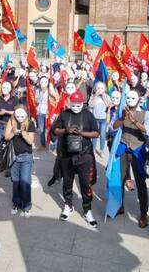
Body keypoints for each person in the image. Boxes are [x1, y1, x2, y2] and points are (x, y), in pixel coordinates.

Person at [52, 91, 100, 228]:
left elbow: (96, 133)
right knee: (67, 182)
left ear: (83, 103)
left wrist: (81, 133)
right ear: (70, 103)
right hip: (67, 155)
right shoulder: (64, 114)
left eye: (79, 104)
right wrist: (66, 130)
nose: (76, 107)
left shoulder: (88, 115)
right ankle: (68, 205)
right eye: (74, 104)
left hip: (85, 155)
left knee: (86, 184)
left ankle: (87, 210)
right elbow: (55, 130)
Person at [112, 90, 149, 227]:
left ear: (139, 99)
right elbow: (113, 127)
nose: (130, 99)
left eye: (134, 97)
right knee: (120, 179)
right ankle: (120, 205)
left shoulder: (145, 113)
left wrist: (134, 121)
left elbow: (148, 130)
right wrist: (122, 118)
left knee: (140, 183)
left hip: (138, 150)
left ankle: (144, 213)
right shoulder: (121, 111)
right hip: (123, 148)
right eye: (128, 97)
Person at [4, 105, 36, 217]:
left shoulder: (30, 123)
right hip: (14, 157)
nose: (20, 118)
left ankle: (26, 206)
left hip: (26, 157)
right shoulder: (11, 121)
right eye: (17, 116)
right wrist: (13, 132)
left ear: (26, 115)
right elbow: (6, 137)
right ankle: (16, 203)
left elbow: (31, 141)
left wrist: (23, 132)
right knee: (15, 181)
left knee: (25, 181)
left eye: (22, 116)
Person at [88, 81, 110, 155]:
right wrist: (95, 97)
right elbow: (90, 105)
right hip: (95, 118)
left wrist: (104, 98)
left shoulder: (107, 96)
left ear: (104, 89)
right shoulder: (93, 96)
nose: (100, 89)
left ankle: (101, 150)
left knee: (103, 135)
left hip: (103, 119)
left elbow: (108, 106)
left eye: (102, 88)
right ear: (95, 89)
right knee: (95, 134)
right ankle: (93, 149)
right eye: (98, 88)